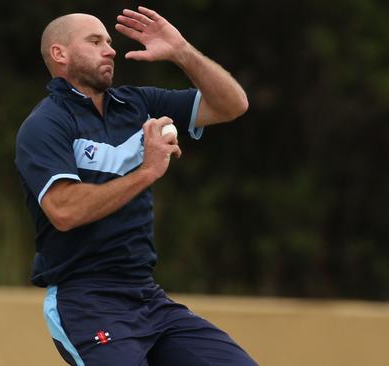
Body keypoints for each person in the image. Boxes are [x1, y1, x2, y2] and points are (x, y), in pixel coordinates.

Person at [14, 6, 256, 366]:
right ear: (59, 54)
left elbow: (232, 104)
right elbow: (64, 211)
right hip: (85, 300)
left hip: (146, 296)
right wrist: (146, 171)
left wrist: (181, 51)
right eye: (95, 41)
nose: (110, 49)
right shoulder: (45, 124)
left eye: (109, 42)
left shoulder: (136, 103)